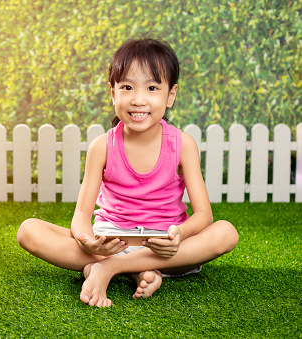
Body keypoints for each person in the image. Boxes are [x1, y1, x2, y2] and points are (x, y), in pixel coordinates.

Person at [16, 38, 239, 308]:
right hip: (111, 240)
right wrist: (89, 243)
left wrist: (178, 234)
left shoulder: (183, 144)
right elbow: (82, 215)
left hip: (164, 246)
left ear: (171, 95)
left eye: (153, 87)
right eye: (127, 87)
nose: (138, 99)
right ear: (113, 93)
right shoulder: (103, 146)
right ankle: (132, 269)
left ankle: (107, 269)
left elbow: (204, 215)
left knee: (226, 233)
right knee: (28, 231)